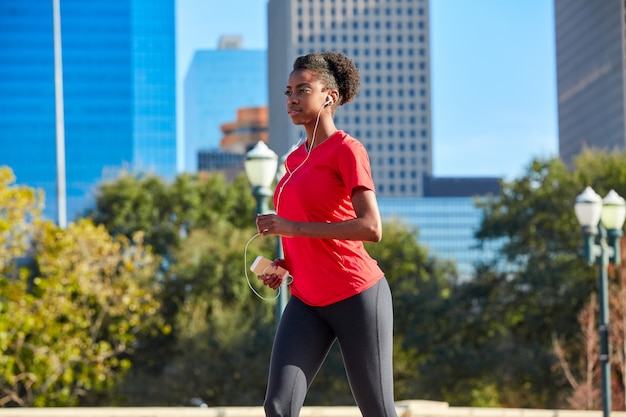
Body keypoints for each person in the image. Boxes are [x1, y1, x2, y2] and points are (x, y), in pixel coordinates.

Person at [255, 51, 398, 417]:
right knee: (278, 406)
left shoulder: (347, 150)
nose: (292, 98)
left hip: (357, 295)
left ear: (329, 97)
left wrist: (291, 228)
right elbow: (308, 225)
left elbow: (371, 227)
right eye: (288, 91)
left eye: (303, 90)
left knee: (377, 410)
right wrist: (285, 264)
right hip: (306, 300)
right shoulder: (293, 160)